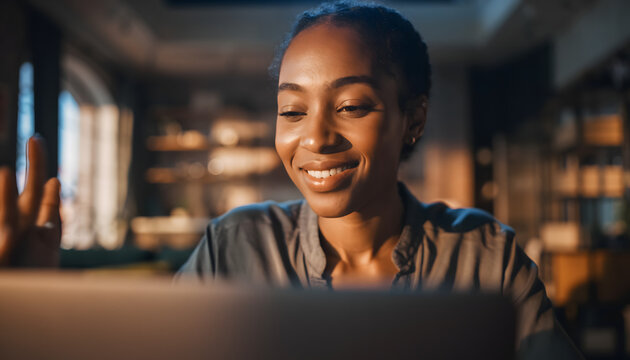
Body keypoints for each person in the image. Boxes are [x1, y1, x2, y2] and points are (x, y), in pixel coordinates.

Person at [0, 1, 582, 358]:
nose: (315, 138)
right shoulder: (235, 247)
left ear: (415, 120)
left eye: (352, 106)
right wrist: (27, 312)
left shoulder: (486, 256)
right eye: (292, 110)